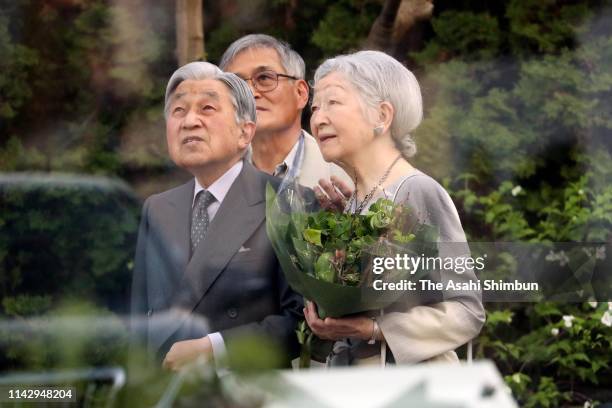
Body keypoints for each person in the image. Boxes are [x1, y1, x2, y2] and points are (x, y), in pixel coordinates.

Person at [304, 50, 485, 365]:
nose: (318, 118)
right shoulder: (355, 203)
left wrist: (376, 328)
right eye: (315, 107)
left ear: (382, 116)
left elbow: (467, 310)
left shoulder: (418, 190)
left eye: (333, 102)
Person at [130, 61, 302, 371]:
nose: (189, 121)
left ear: (245, 132)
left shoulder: (286, 202)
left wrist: (214, 347)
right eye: (178, 111)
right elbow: (140, 324)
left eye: (207, 108)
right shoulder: (157, 208)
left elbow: (300, 322)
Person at [219, 34, 352, 190]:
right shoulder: (214, 177)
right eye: (237, 84)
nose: (249, 92)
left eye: (264, 78)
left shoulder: (347, 175)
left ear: (301, 93)